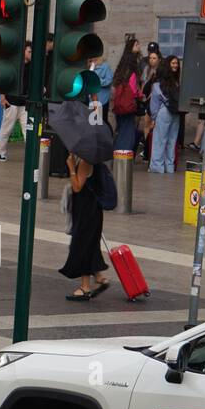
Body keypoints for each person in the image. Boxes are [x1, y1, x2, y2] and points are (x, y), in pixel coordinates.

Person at [59, 153, 109, 301]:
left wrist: (71, 168)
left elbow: (77, 187)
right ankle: (100, 278)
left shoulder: (85, 162)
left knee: (81, 246)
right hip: (91, 210)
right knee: (90, 245)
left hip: (86, 212)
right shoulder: (93, 159)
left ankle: (85, 287)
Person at [0, 42, 32, 162]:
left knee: (28, 131)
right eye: (29, 51)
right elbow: (4, 80)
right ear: (23, 52)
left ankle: (31, 155)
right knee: (6, 129)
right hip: (11, 103)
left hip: (25, 104)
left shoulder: (32, 67)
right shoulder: (14, 65)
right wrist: (3, 97)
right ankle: (1, 153)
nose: (31, 54)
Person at [149, 54, 182, 173]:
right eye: (173, 63)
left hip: (164, 111)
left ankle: (158, 167)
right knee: (172, 141)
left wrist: (154, 117)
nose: (176, 65)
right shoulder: (178, 83)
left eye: (176, 63)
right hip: (176, 113)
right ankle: (169, 167)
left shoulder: (159, 83)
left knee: (159, 140)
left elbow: (154, 103)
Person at [108, 46, 142, 153]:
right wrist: (141, 95)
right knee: (128, 133)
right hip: (128, 107)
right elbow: (134, 91)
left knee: (120, 130)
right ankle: (124, 156)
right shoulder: (132, 73)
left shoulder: (120, 73)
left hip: (119, 107)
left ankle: (116, 153)